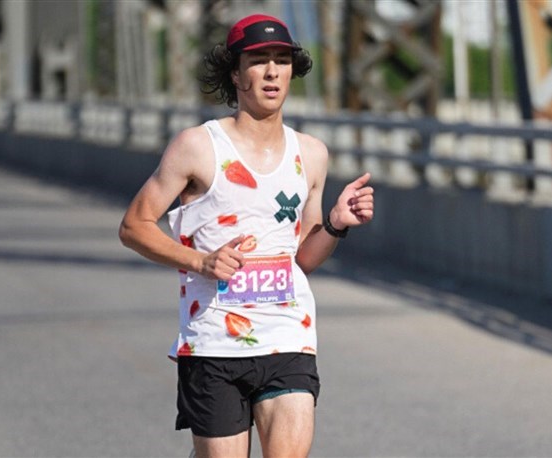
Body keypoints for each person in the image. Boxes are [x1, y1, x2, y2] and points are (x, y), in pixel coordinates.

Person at [119, 13, 374, 458]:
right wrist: (200, 261)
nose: (272, 71)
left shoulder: (311, 154)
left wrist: (335, 223)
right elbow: (134, 226)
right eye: (258, 60)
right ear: (235, 73)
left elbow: (304, 259)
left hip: (288, 335)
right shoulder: (198, 146)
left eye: (282, 60)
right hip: (214, 341)